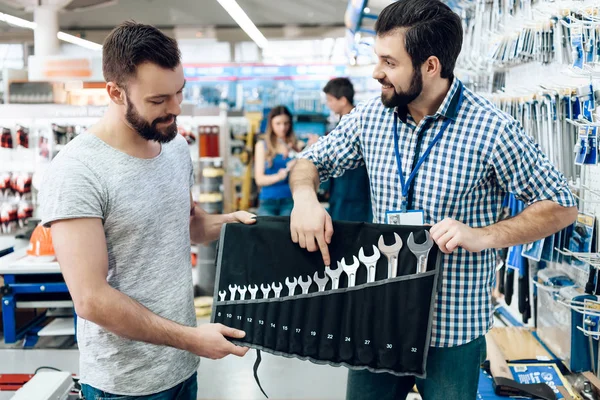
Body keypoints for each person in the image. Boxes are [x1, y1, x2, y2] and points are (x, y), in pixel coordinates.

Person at [288, 1, 578, 400]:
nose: (377, 73)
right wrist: (305, 198)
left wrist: (483, 235)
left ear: (430, 66)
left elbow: (561, 205)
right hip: (379, 321)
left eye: (389, 62)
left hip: (453, 330)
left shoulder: (491, 129)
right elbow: (310, 161)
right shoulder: (371, 118)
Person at [40, 22, 254, 400]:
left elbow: (186, 225)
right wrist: (192, 339)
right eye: (158, 101)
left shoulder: (173, 146)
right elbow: (90, 299)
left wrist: (231, 224)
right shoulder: (77, 171)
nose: (175, 109)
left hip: (182, 369)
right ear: (115, 92)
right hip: (124, 385)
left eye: (179, 93)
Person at [321, 78, 372, 222]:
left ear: (343, 100)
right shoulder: (341, 123)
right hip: (341, 190)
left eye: (330, 100)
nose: (328, 104)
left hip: (353, 189)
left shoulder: (357, 123)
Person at [254, 105, 299, 216]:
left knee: (287, 232)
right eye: (278, 124)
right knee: (267, 232)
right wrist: (279, 176)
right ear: (271, 125)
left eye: (286, 123)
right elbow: (259, 180)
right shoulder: (262, 146)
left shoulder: (296, 146)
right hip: (267, 201)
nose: (282, 128)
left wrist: (297, 162)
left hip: (289, 200)